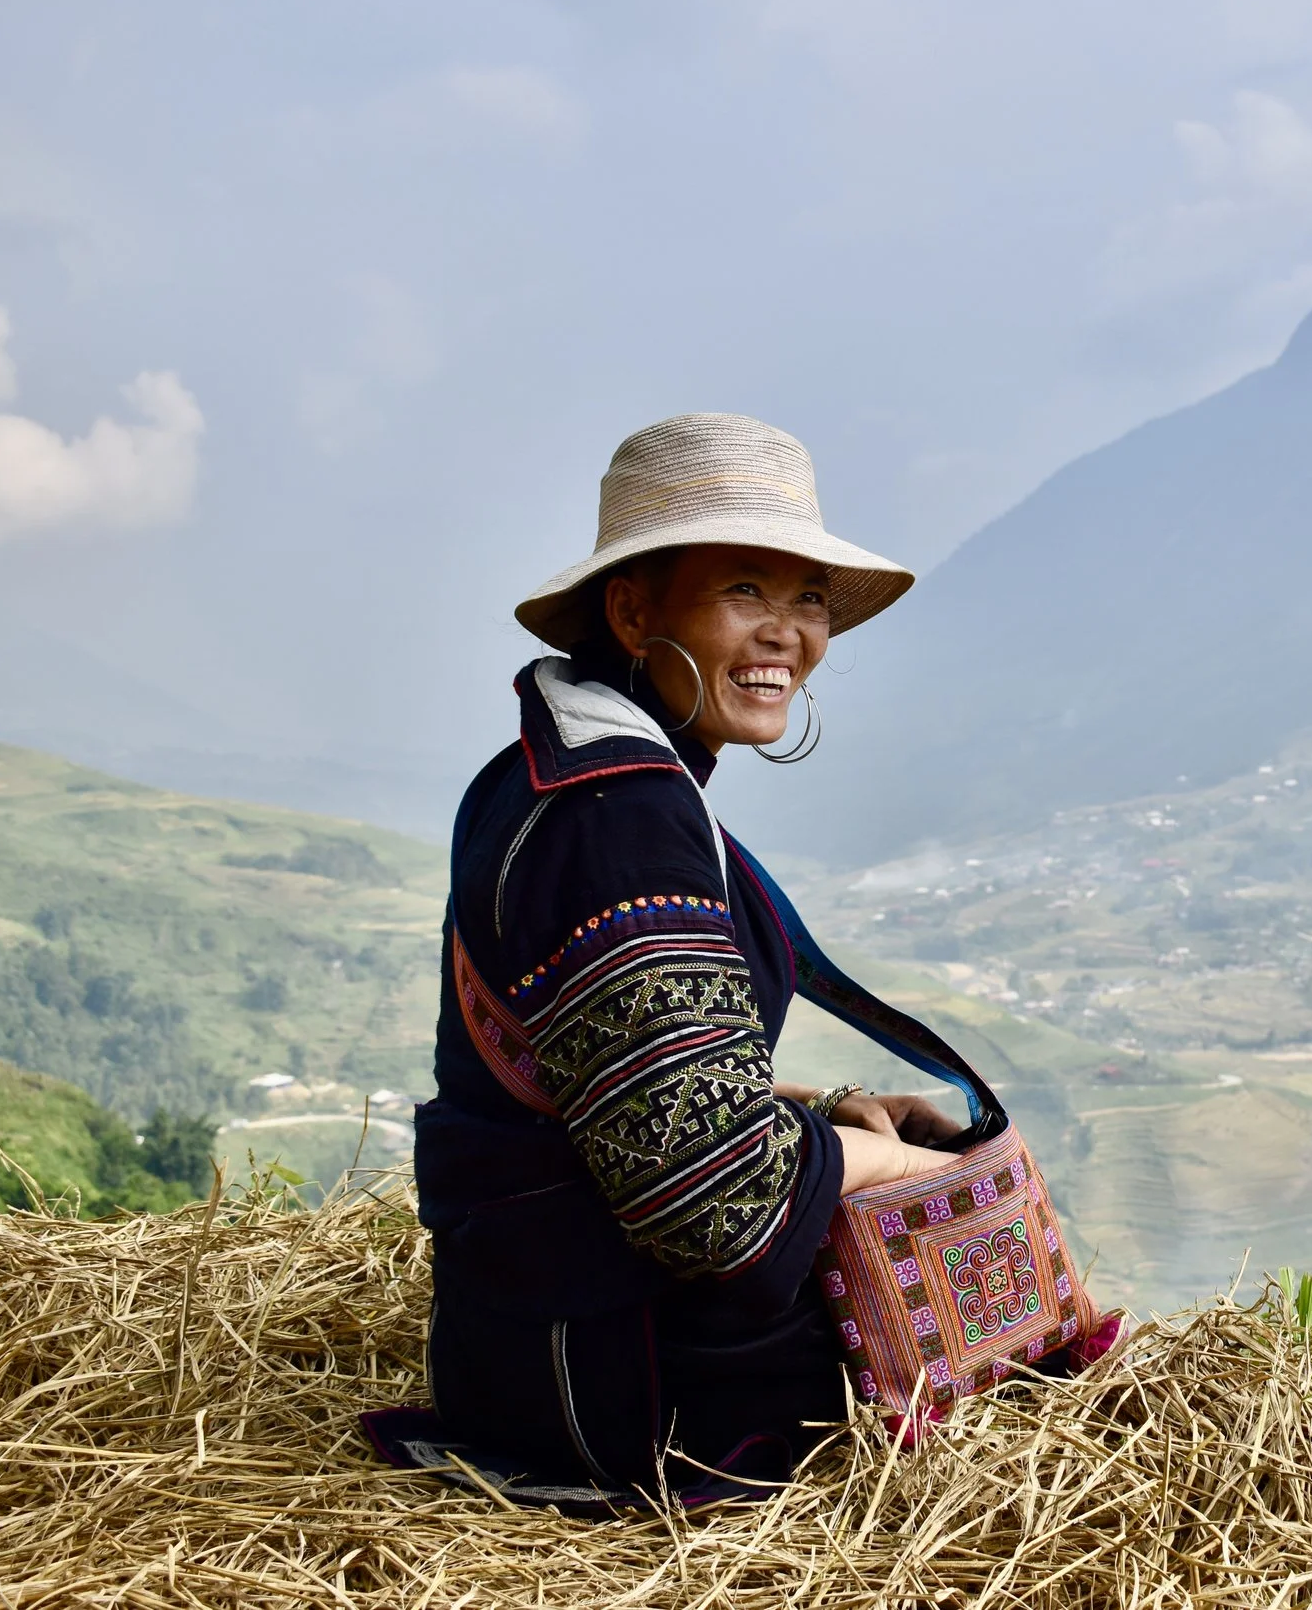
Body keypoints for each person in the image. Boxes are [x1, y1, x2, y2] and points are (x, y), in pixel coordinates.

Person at [410, 413, 963, 1500]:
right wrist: (923, 1175)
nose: (787, 635)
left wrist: (836, 1103)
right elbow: (712, 1198)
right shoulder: (620, 815)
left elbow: (618, 1073)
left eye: (807, 598)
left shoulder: (560, 770)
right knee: (1011, 1357)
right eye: (745, 591)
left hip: (525, 1334)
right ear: (634, 607)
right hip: (620, 1382)